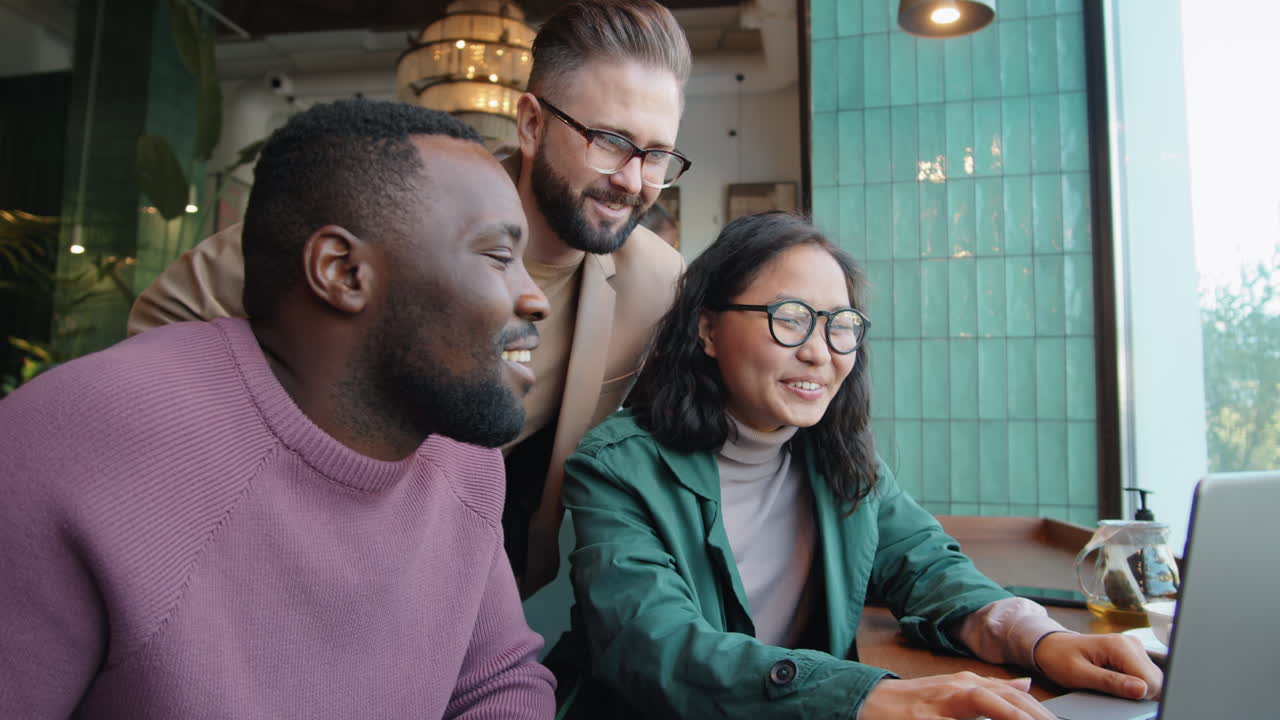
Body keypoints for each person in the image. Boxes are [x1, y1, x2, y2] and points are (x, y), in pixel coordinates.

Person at [0, 100, 556, 718]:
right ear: (343, 272)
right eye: (499, 258)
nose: (536, 299)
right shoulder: (72, 440)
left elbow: (498, 684)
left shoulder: (465, 462)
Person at [125, 0, 692, 597]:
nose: (633, 179)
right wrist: (276, 478)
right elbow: (169, 315)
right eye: (609, 141)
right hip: (277, 559)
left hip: (468, 582)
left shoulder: (655, 280)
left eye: (657, 155)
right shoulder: (408, 200)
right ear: (530, 124)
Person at [547, 212, 1163, 719]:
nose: (820, 352)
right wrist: (868, 695)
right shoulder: (617, 468)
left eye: (841, 326)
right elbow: (655, 648)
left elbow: (925, 566)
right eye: (789, 319)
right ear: (708, 329)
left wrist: (1040, 639)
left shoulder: (836, 454)